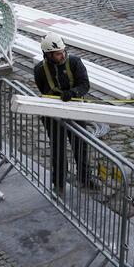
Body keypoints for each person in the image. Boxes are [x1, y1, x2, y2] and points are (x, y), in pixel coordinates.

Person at [34, 32, 94, 195]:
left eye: (63, 52)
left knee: (80, 145)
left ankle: (86, 178)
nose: (62, 55)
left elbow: (85, 85)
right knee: (58, 149)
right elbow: (43, 89)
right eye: (58, 54)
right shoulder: (40, 70)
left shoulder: (74, 62)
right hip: (53, 115)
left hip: (75, 110)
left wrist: (72, 93)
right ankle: (59, 182)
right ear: (48, 55)